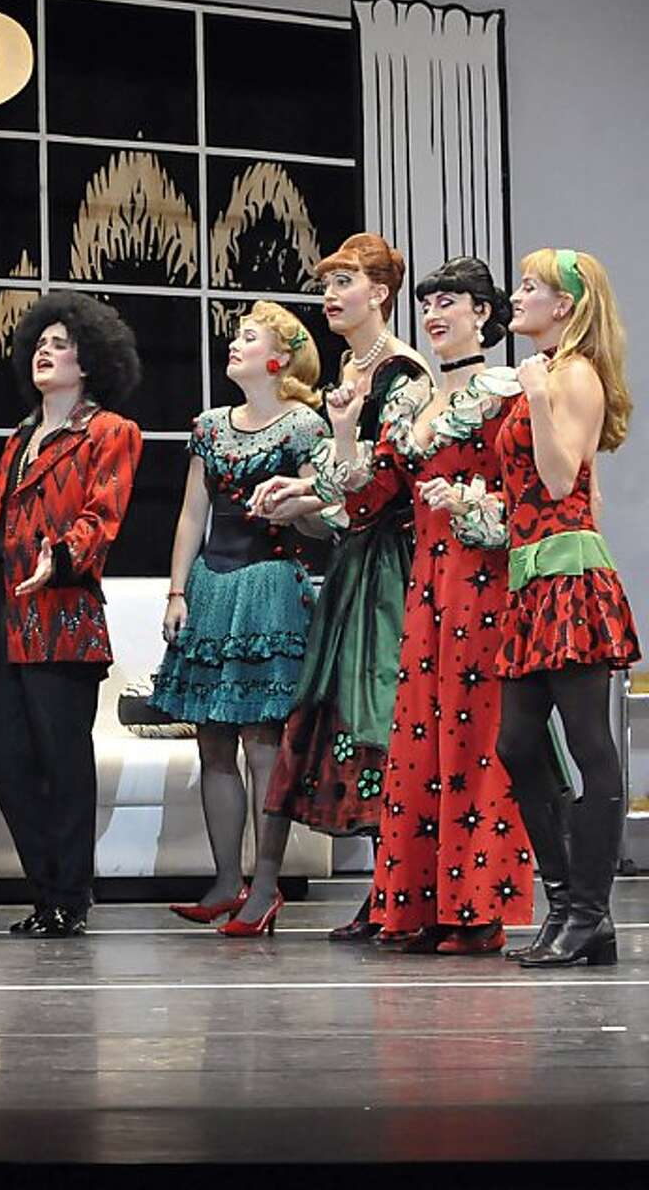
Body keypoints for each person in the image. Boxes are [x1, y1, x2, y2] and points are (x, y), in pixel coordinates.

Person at [313, 256, 532, 955]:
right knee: (418, 742)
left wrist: (466, 502)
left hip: (482, 584)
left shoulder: (505, 394)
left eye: (450, 302)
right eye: (430, 303)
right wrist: (344, 427)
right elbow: (363, 501)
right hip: (427, 584)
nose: (434, 314)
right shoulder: (418, 406)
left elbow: (525, 504)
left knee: (472, 738)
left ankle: (476, 909)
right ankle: (422, 904)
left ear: (483, 314)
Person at [247, 233, 430, 939]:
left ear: (379, 293)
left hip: (394, 564)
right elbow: (342, 480)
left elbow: (384, 481)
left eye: (344, 281)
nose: (330, 294)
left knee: (381, 716)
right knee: (351, 721)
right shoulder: (352, 370)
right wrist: (296, 492)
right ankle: (388, 889)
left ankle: (403, 892)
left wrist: (310, 497)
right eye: (327, 282)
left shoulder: (402, 372)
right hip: (358, 559)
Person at [0, 292, 142, 938]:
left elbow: (103, 514)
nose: (46, 351)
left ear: (89, 359)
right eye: (41, 342)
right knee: (7, 761)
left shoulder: (110, 431)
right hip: (0, 616)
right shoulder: (19, 437)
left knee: (63, 763)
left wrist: (62, 557)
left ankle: (69, 896)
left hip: (61, 616)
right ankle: (46, 893)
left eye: (61, 344)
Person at [152, 303, 327, 937]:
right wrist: (177, 591)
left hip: (268, 585)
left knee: (262, 743)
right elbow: (191, 515)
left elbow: (321, 519)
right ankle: (227, 880)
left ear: (278, 359)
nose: (235, 344)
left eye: (249, 337)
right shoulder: (209, 426)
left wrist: (292, 507)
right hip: (213, 587)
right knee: (213, 741)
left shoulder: (302, 426)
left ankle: (267, 885)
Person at [495, 248, 637, 968]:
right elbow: (582, 489)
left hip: (567, 576)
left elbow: (559, 480)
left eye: (531, 287)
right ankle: (567, 907)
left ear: (565, 306)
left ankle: (587, 913)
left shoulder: (572, 374)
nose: (517, 295)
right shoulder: (550, 374)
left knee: (588, 744)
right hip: (534, 575)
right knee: (516, 743)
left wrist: (534, 392)